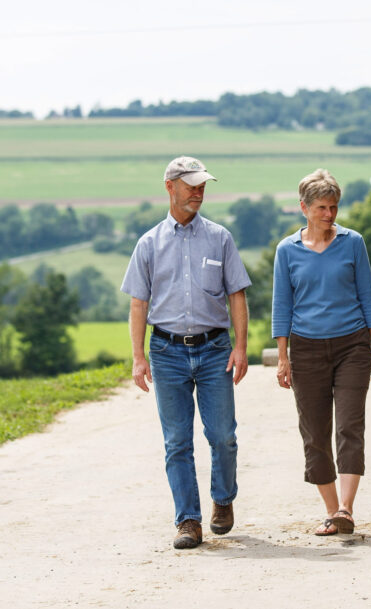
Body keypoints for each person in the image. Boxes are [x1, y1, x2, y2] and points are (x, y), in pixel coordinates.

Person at [121, 156, 251, 550]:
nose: (199, 191)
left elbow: (237, 295)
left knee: (223, 436)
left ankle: (223, 499)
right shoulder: (149, 244)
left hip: (214, 350)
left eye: (202, 185)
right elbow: (138, 304)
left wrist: (241, 347)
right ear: (170, 187)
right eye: (191, 184)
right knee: (177, 441)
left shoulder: (220, 238)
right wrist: (138, 357)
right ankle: (188, 521)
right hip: (166, 351)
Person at [271, 168, 371, 536]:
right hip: (305, 350)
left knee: (350, 426)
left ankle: (347, 510)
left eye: (333, 207)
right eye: (321, 207)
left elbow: (368, 295)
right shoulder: (287, 251)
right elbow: (282, 306)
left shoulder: (353, 243)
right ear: (303, 208)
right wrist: (283, 357)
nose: (329, 215)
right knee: (315, 434)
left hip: (352, 345)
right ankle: (331, 509)